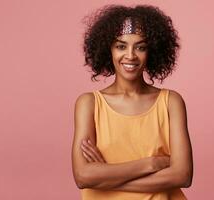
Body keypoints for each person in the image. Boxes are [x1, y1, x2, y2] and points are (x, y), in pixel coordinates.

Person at [71, 4, 193, 200]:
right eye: (121, 46)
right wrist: (152, 164)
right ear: (107, 49)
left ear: (151, 51)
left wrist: (105, 177)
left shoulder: (171, 102)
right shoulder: (89, 104)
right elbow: (83, 176)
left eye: (140, 47)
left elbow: (183, 175)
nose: (130, 55)